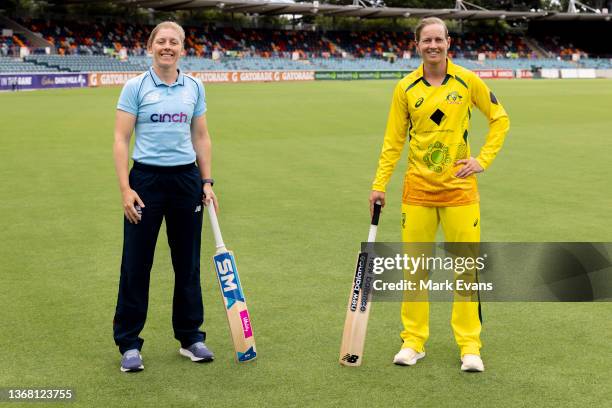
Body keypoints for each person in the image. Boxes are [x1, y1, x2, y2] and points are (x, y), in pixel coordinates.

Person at [369, 17, 509, 372]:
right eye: (426, 40)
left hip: (461, 191)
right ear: (417, 46)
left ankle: (470, 346)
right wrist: (379, 184)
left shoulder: (467, 81)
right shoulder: (405, 87)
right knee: (415, 270)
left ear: (448, 42)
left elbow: (500, 118)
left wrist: (483, 160)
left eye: (438, 39)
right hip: (417, 191)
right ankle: (413, 341)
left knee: (466, 270)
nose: (432, 45)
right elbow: (393, 142)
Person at [112, 21, 218, 372]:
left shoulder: (194, 87)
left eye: (174, 42)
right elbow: (120, 139)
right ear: (151, 47)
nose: (167, 46)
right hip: (146, 181)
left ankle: (191, 338)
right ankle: (129, 343)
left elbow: (201, 136)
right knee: (136, 264)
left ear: (183, 49)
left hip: (186, 181)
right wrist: (126, 188)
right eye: (161, 41)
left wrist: (207, 182)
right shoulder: (135, 87)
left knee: (187, 263)